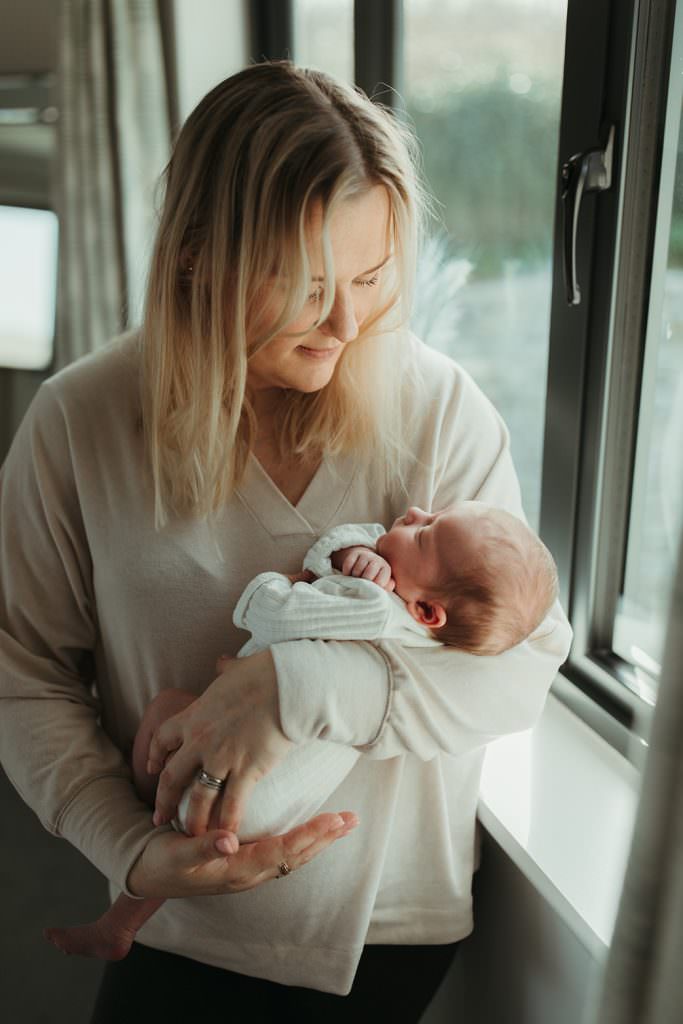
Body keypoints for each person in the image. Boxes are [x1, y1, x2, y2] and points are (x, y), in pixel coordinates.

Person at [0, 61, 572, 1022]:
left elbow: (517, 664)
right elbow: (21, 673)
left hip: (387, 932)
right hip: (176, 916)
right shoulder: (79, 423)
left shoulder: (440, 412)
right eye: (309, 286)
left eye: (371, 276)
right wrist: (127, 848)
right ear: (196, 254)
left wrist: (296, 689)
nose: (349, 323)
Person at [43, 500, 559, 961]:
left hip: (247, 784)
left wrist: (287, 584)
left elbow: (267, 613)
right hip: (277, 801)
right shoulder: (426, 634)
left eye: (425, 533)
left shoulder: (375, 607)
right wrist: (356, 553)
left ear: (426, 610)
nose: (417, 512)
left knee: (166, 716)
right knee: (181, 835)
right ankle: (122, 923)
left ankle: (128, 880)